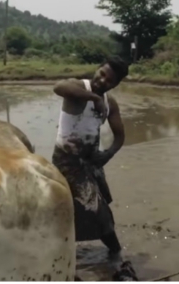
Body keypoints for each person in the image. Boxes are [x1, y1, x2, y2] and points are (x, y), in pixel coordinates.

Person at [52, 56, 129, 257]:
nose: (102, 81)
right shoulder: (78, 87)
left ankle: (68, 249)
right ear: (97, 70)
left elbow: (120, 135)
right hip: (67, 161)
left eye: (109, 80)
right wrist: (93, 98)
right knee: (98, 212)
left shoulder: (110, 102)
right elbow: (58, 87)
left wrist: (109, 154)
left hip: (92, 162)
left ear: (116, 84)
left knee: (102, 205)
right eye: (102, 74)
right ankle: (116, 254)